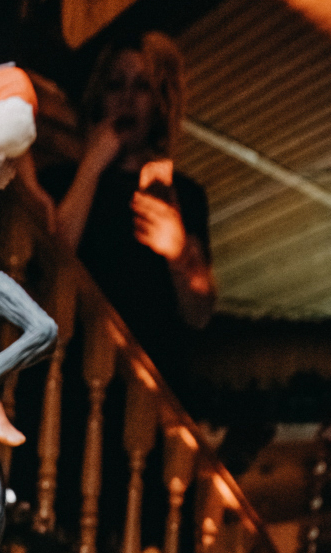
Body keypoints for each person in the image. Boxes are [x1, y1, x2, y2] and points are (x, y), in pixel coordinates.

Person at [52, 35, 216, 398]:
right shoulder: (64, 182)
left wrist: (179, 255)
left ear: (159, 103)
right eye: (115, 85)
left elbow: (200, 312)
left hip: (149, 386)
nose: (126, 98)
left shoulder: (183, 194)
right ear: (99, 96)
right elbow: (51, 264)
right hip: (73, 380)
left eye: (142, 87)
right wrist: (91, 165)